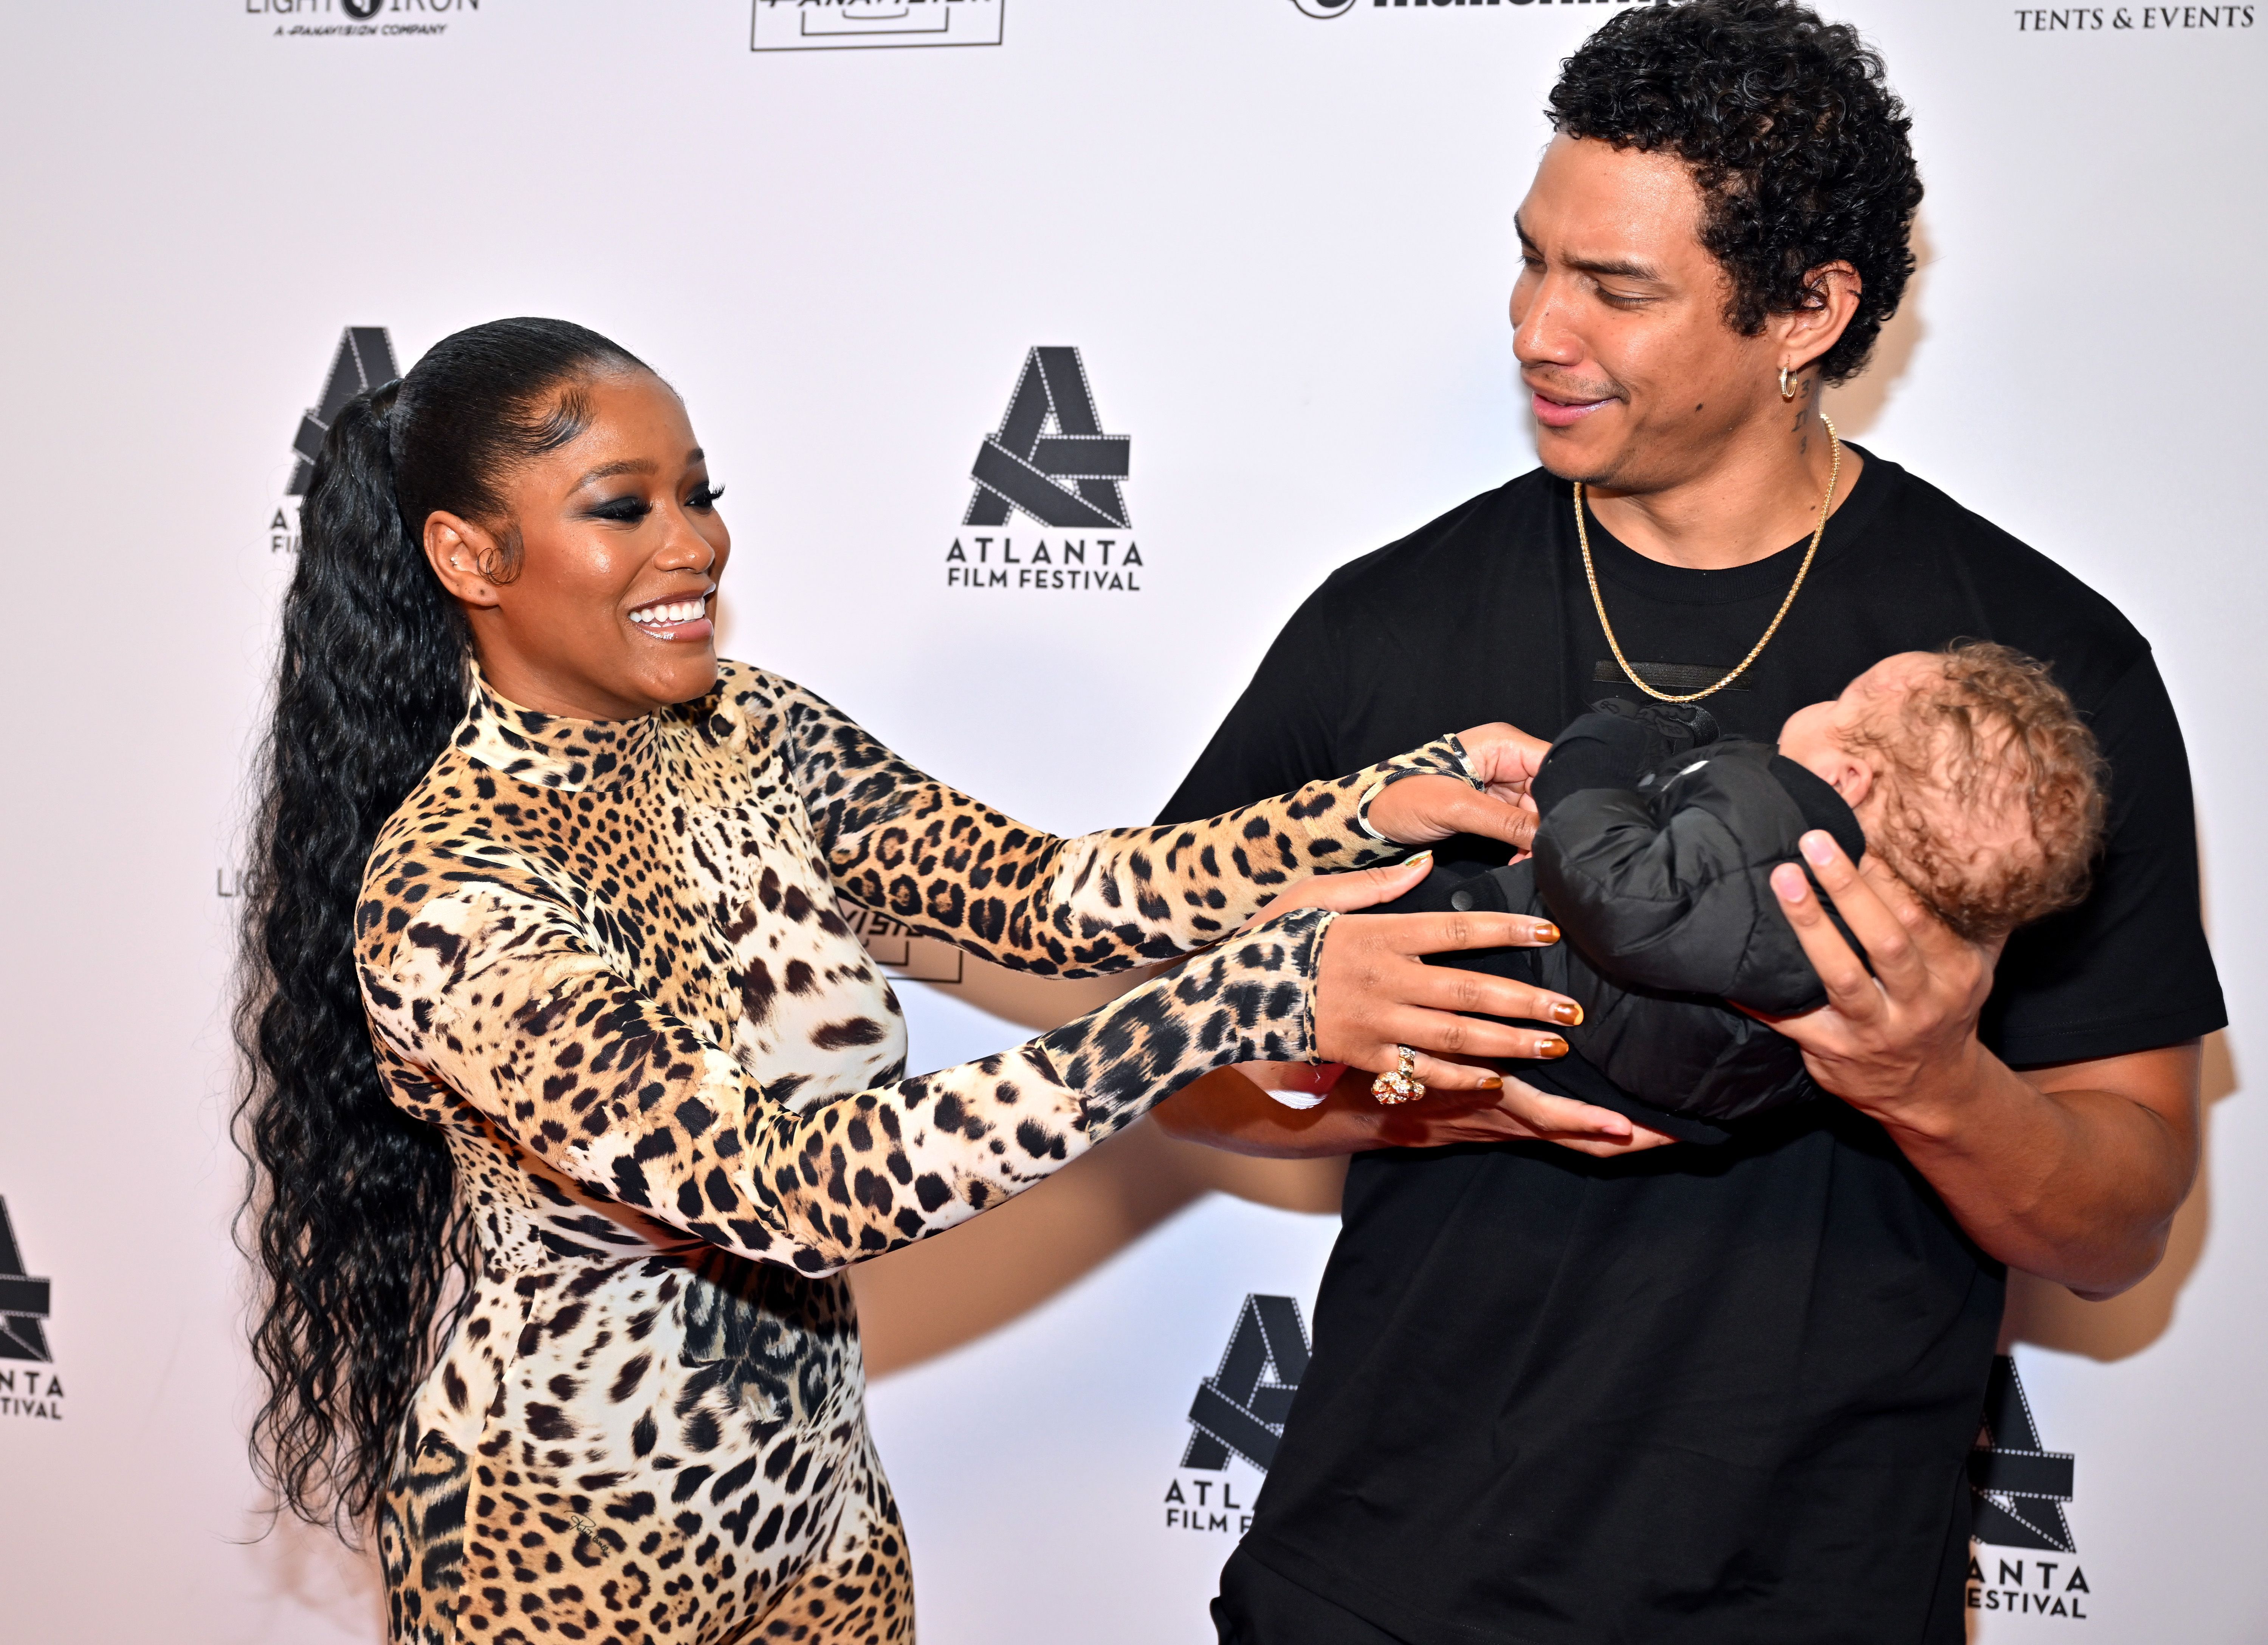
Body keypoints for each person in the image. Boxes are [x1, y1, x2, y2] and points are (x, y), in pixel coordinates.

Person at [233, 317, 1591, 1644]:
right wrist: (1241, 1001)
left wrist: (1377, 804)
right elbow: (783, 1189)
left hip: (821, 1524)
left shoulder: (748, 729)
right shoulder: (456, 889)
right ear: (470, 555)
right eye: (621, 507)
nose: (693, 543)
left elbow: (1047, 896)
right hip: (559, 1550)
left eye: (700, 494)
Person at [1154, 4, 2224, 1640]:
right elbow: (1160, 1061)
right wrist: (1402, 1095)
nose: (1537, 329)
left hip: (1815, 1589)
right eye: (1532, 260)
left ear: (1807, 310)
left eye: (1617, 289)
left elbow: (2122, 1211)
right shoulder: (1390, 622)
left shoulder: (2036, 670)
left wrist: (1934, 1084)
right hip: (1384, 1576)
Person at [1363, 643, 2105, 1143]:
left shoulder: (1775, 820)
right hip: (1664, 1092)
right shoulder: (1880, 919)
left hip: (1515, 985)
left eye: (1845, 701)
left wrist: (1596, 758)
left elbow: (1624, 890)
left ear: (1849, 780)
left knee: (1341, 945)